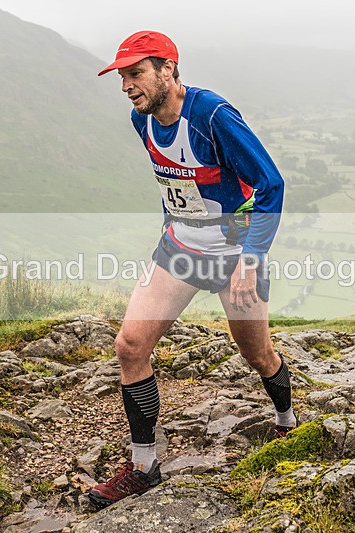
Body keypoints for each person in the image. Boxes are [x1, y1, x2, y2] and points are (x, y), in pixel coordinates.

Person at [89, 30, 291, 508]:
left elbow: (271, 185)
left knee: (258, 355)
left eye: (135, 74)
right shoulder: (142, 122)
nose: (126, 87)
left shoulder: (213, 116)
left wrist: (250, 259)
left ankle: (285, 422)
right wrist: (170, 233)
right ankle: (144, 467)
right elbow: (174, 186)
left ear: (168, 70)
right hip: (179, 250)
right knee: (130, 345)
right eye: (122, 77)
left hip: (234, 253)